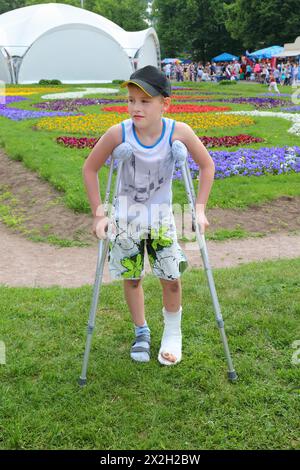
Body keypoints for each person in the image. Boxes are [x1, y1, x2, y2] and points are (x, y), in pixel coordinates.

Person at [82, 65, 215, 366]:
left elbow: (207, 166)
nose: (135, 107)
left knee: (171, 278)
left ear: (165, 104)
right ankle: (141, 331)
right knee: (131, 278)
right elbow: (89, 169)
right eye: (131, 100)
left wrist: (200, 209)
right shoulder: (118, 133)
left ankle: (172, 333)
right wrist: (98, 214)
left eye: (144, 101)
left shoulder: (178, 132)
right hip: (126, 221)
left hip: (161, 220)